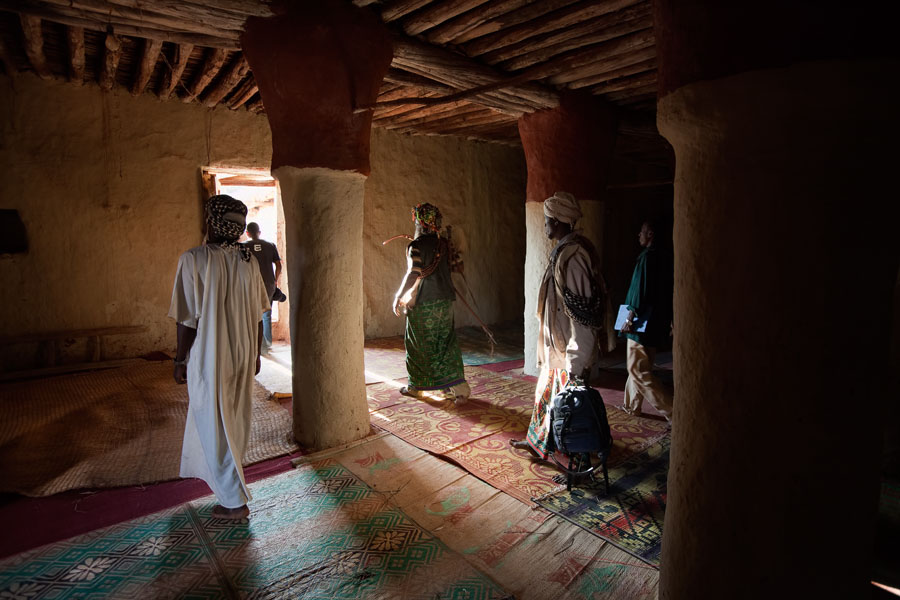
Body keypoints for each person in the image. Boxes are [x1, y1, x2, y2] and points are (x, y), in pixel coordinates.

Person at [169, 195, 270, 520]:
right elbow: (258, 315)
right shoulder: (247, 261)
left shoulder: (193, 259)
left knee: (214, 422)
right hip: (242, 352)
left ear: (212, 222)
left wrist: (180, 359)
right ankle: (230, 487)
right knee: (234, 421)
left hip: (211, 356)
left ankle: (233, 501)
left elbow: (186, 320)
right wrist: (255, 354)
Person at [510, 192, 607, 460]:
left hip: (568, 351)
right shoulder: (564, 251)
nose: (545, 225)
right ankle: (538, 443)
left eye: (548, 220)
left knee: (569, 406)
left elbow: (582, 316)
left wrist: (575, 361)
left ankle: (579, 456)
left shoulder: (573, 257)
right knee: (546, 396)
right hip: (559, 346)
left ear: (559, 221)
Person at [392, 203, 470, 404]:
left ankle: (417, 388)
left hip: (423, 304)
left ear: (420, 222)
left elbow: (414, 273)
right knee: (445, 344)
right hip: (445, 301)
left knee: (417, 345)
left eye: (417, 221)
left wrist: (399, 296)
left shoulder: (415, 246)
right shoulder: (444, 244)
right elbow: (454, 267)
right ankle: (458, 390)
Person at [620, 220, 674, 421]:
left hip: (641, 323)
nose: (638, 235)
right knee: (641, 366)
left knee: (638, 369)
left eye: (641, 232)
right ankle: (631, 406)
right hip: (655, 323)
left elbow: (639, 292)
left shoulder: (647, 258)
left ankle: (672, 411)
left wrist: (629, 317)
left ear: (650, 234)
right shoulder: (665, 257)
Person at [243, 222, 282, 355]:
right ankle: (267, 344)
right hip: (268, 284)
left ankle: (257, 344)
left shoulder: (244, 247)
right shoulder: (270, 245)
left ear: (247, 233)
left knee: (252, 314)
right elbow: (278, 266)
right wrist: (275, 280)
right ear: (259, 232)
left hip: (251, 284)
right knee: (266, 314)